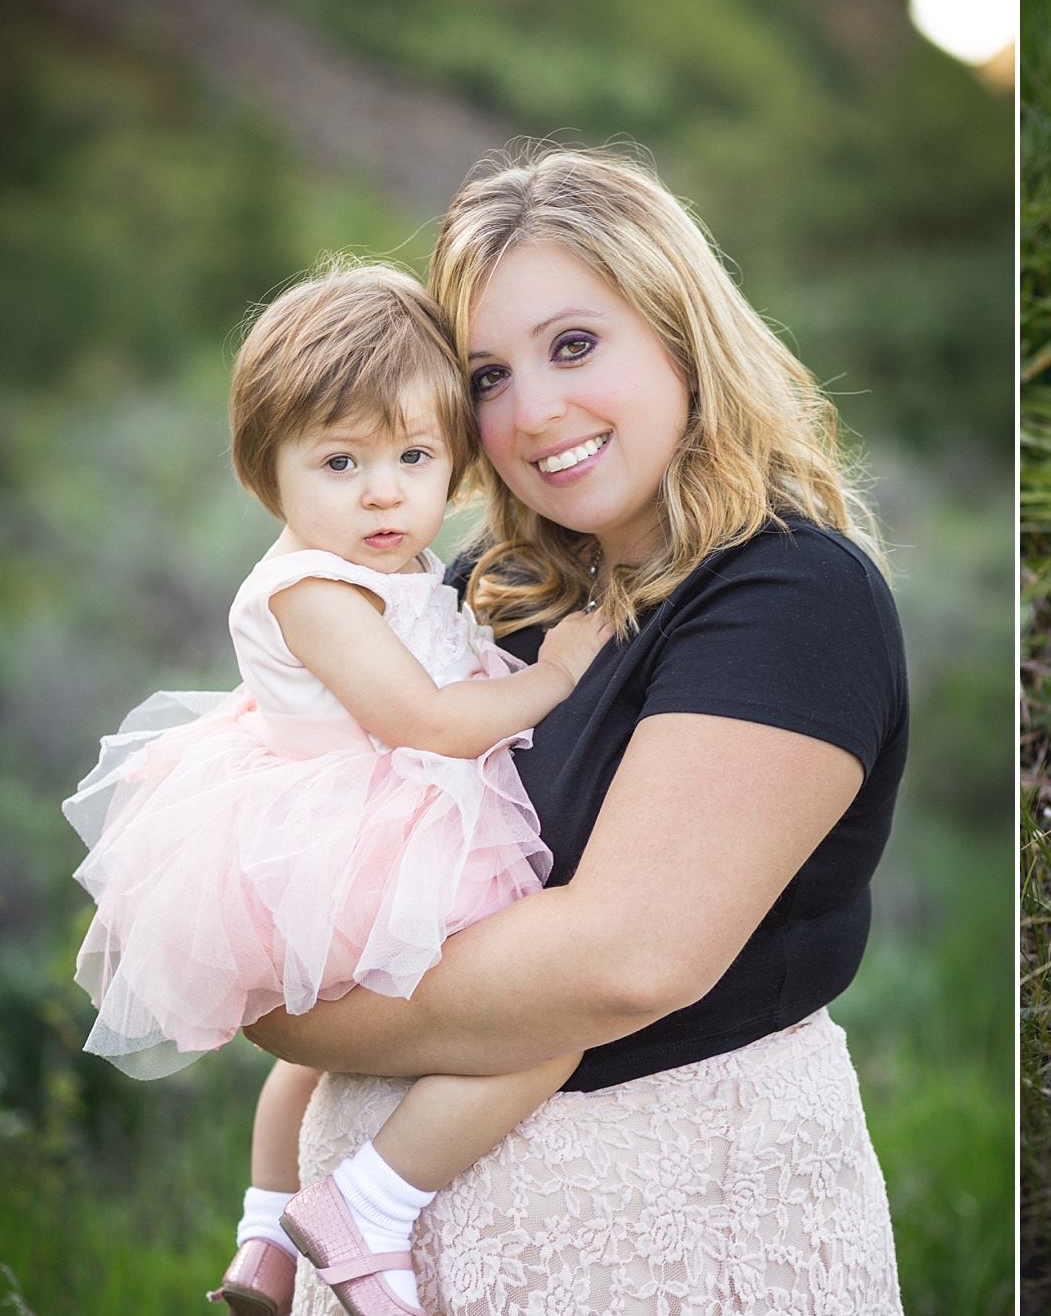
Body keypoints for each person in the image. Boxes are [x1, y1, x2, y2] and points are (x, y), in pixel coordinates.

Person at [244, 146, 909, 1316]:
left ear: (680, 335)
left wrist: (282, 1002)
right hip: (390, 1265)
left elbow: (626, 956)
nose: (535, 410)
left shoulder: (790, 593)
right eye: (488, 375)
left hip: (668, 1245)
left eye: (574, 345)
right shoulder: (492, 585)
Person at [60, 264, 611, 1316]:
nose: (382, 491)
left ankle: (265, 1236)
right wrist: (555, 674)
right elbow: (425, 720)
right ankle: (371, 1199)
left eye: (413, 456)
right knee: (547, 1026)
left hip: (347, 816)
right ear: (267, 469)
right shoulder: (312, 583)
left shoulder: (366, 562)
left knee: (318, 1053)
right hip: (365, 833)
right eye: (340, 460)